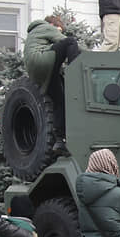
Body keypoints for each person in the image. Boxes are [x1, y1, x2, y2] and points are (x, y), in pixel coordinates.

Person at [23, 15, 81, 152]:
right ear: (52, 24)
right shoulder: (45, 27)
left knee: (60, 101)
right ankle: (76, 76)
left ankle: (60, 140)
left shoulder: (33, 34)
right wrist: (93, 56)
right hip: (42, 59)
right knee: (71, 42)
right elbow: (64, 42)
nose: (59, 33)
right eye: (58, 29)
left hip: (38, 73)